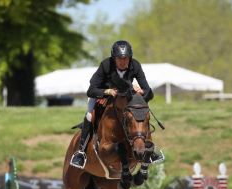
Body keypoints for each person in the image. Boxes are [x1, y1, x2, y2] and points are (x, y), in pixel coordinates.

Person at [70, 40, 163, 169]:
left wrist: (141, 94)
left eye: (126, 58)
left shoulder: (135, 65)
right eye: (119, 59)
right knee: (89, 116)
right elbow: (91, 90)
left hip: (124, 96)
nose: (123, 62)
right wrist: (106, 91)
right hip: (101, 95)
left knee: (141, 113)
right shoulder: (105, 65)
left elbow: (149, 92)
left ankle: (150, 150)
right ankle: (80, 152)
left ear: (130, 58)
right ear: (114, 58)